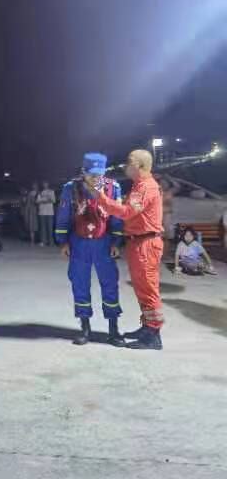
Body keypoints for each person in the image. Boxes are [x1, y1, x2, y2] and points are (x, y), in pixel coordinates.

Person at [92, 149, 164, 350]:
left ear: (140, 165)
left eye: (129, 161)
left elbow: (126, 212)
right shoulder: (139, 186)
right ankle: (148, 327)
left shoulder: (146, 187)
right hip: (138, 242)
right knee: (142, 289)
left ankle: (154, 336)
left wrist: (100, 197)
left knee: (148, 290)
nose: (125, 165)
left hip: (145, 244)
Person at [55, 154, 125, 347]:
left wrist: (116, 241)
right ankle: (85, 328)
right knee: (80, 284)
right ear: (83, 172)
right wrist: (62, 241)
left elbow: (117, 216)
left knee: (110, 284)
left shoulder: (112, 187)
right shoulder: (71, 188)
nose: (96, 178)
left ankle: (113, 329)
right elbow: (63, 216)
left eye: (99, 174)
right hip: (79, 243)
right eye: (92, 174)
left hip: (104, 243)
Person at [36, 181, 56, 247]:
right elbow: (37, 201)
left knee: (50, 228)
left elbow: (53, 200)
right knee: (43, 228)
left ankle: (51, 242)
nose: (45, 185)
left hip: (50, 212)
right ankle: (43, 242)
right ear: (42, 185)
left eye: (46, 183)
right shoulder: (40, 192)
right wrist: (47, 200)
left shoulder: (51, 191)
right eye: (43, 184)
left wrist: (43, 200)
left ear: (48, 184)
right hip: (42, 212)